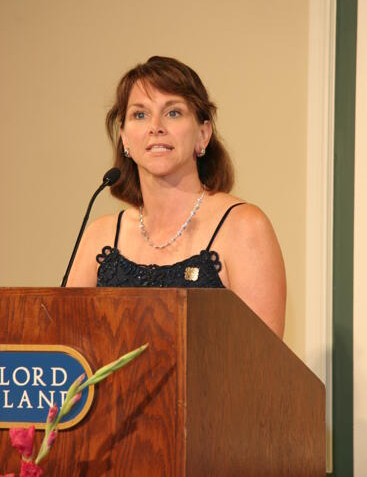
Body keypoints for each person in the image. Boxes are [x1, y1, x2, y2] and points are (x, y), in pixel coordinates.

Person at [66, 56, 286, 338]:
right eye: (140, 114)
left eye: (173, 113)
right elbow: (66, 349)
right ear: (124, 139)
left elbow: (263, 364)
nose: (155, 126)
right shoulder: (100, 237)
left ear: (203, 134)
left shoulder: (244, 227)